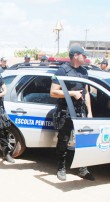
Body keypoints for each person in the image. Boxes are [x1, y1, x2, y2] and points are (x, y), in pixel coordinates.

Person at [50, 46, 95, 181]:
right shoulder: (62, 70)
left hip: (80, 111)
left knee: (82, 141)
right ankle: (61, 168)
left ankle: (82, 169)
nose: (85, 58)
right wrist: (72, 93)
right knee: (63, 141)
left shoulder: (84, 71)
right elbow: (53, 92)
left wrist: (90, 112)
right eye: (84, 56)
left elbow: (85, 93)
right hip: (66, 111)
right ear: (76, 55)